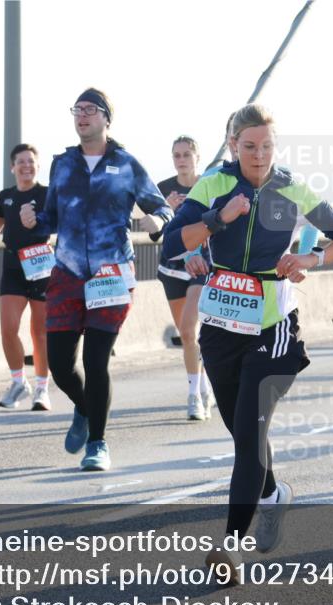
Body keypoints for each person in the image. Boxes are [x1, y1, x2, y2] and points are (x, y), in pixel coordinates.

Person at [162, 103, 333, 581]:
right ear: (233, 145)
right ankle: (272, 494)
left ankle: (230, 546)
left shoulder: (290, 188)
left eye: (267, 146)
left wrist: (310, 259)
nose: (258, 155)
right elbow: (171, 242)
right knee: (241, 429)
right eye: (249, 146)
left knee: (249, 436)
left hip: (274, 325)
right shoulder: (214, 184)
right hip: (221, 326)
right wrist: (217, 219)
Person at [20, 87, 172, 471]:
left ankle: (98, 444)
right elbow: (52, 217)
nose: (82, 115)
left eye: (90, 109)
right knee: (59, 364)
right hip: (67, 273)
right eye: (77, 109)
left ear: (106, 118)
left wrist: (157, 221)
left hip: (111, 273)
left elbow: (162, 207)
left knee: (95, 360)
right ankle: (84, 408)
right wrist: (34, 220)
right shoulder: (63, 164)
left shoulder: (126, 164)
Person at [0, 143, 51, 410]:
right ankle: (18, 382)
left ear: (38, 165)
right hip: (13, 267)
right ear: (12, 167)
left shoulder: (48, 194)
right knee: (8, 329)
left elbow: (64, 225)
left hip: (42, 266)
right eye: (21, 162)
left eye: (31, 161)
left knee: (40, 332)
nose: (26, 166)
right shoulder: (6, 197)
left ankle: (42, 388)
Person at [148, 135, 215, 420]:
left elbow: (219, 223)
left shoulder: (209, 185)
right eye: (177, 155)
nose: (182, 160)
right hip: (172, 268)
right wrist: (167, 210)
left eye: (187, 154)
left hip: (200, 265)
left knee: (190, 329)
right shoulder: (163, 189)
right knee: (188, 336)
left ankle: (193, 397)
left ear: (197, 158)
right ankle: (202, 385)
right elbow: (155, 233)